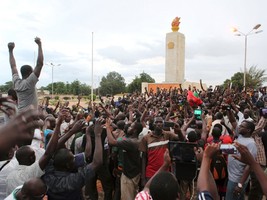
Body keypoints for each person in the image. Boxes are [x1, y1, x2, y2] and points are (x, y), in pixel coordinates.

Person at [42, 118, 103, 200]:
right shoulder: (74, 180)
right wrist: (98, 135)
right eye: (73, 158)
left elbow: (51, 150)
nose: (75, 158)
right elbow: (97, 162)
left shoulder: (48, 174)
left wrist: (73, 131)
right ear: (68, 165)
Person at [139, 116, 183, 186]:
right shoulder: (146, 138)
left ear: (163, 124)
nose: (159, 124)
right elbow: (144, 158)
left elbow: (182, 140)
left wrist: (179, 130)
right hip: (151, 173)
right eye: (156, 122)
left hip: (165, 172)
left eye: (160, 122)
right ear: (153, 124)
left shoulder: (168, 135)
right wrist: (143, 177)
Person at [106, 118, 143, 200]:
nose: (128, 127)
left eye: (131, 127)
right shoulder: (136, 140)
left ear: (135, 131)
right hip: (134, 173)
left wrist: (108, 128)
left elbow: (111, 142)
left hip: (129, 176)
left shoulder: (130, 142)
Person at [8, 37, 44, 112]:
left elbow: (13, 66)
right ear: (29, 73)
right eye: (32, 71)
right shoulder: (29, 82)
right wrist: (39, 45)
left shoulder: (17, 82)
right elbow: (39, 64)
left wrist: (10, 51)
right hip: (30, 118)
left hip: (20, 115)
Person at [226, 120, 257, 200]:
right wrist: (219, 148)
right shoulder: (240, 137)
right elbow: (234, 151)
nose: (239, 127)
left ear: (248, 130)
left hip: (237, 180)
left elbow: (249, 165)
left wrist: (240, 184)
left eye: (242, 126)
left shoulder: (251, 144)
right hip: (232, 177)